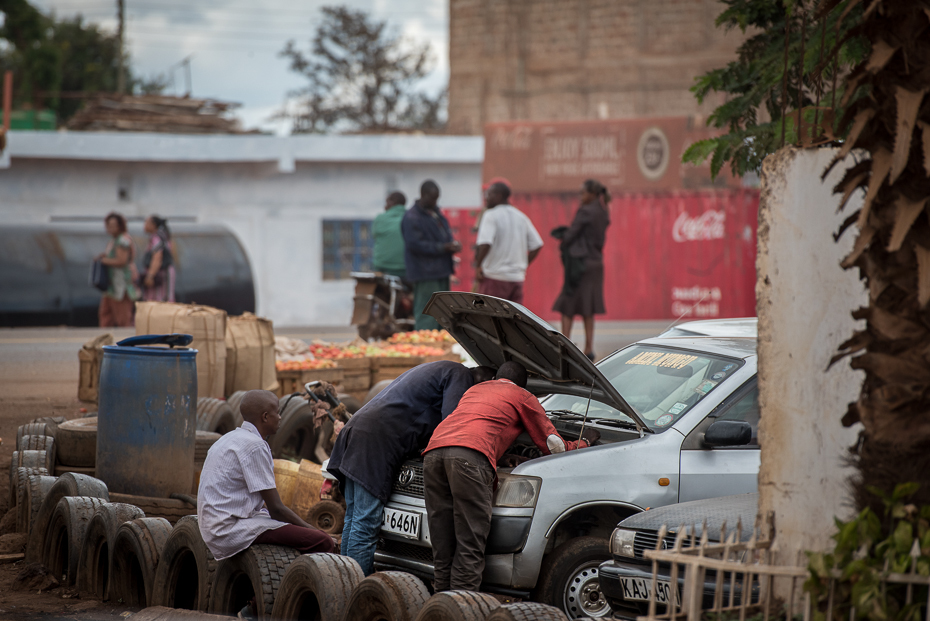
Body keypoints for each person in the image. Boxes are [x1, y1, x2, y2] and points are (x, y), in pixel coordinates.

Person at [422, 361, 600, 592]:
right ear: (523, 384)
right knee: (469, 542)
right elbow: (553, 446)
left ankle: (441, 605)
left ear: (497, 377)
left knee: (442, 540)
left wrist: (502, 455)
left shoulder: (475, 390)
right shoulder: (522, 395)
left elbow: (476, 424)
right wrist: (584, 441)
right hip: (469, 459)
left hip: (434, 454)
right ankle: (460, 606)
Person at [327, 361, 496, 575]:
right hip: (377, 438)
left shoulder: (440, 368)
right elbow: (452, 422)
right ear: (483, 383)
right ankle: (356, 591)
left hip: (359, 430)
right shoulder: (460, 375)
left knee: (354, 518)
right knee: (366, 524)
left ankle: (345, 583)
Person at [198, 389, 333, 562]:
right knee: (322, 541)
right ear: (265, 417)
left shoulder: (229, 438)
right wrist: (314, 531)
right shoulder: (254, 446)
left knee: (293, 529)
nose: (280, 417)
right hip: (229, 530)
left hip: (213, 526)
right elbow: (277, 509)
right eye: (277, 413)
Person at [552, 179, 611, 360]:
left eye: (583, 193)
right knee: (588, 307)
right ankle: (588, 348)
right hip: (596, 263)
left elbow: (571, 235)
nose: (580, 196)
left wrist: (563, 238)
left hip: (581, 264)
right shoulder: (603, 210)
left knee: (567, 304)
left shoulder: (586, 211)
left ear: (592, 194)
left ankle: (565, 345)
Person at [401, 180, 461, 330]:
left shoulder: (436, 214)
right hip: (425, 272)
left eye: (437, 198)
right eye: (432, 198)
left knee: (442, 311)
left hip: (441, 270)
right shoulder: (412, 217)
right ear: (423, 195)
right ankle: (424, 344)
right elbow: (415, 244)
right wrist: (442, 247)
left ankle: (439, 343)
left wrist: (451, 246)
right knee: (427, 313)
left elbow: (443, 236)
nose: (435, 201)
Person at [474, 181, 543, 304]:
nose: (486, 198)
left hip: (494, 278)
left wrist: (479, 266)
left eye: (489, 194)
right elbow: (537, 245)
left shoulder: (490, 215)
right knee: (511, 320)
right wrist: (523, 264)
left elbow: (485, 243)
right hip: (516, 279)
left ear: (499, 196)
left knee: (490, 319)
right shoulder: (521, 217)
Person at [97, 212, 139, 327]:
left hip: (121, 284)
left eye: (113, 225)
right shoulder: (114, 240)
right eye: (108, 225)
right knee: (106, 314)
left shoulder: (123, 240)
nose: (110, 228)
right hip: (111, 284)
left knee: (123, 317)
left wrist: (104, 261)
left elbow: (121, 261)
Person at [372, 191, 408, 279]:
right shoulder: (411, 218)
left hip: (382, 267)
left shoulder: (380, 218)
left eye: (386, 203)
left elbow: (374, 236)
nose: (385, 206)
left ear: (391, 203)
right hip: (405, 269)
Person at [140, 215, 175, 302]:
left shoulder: (157, 238)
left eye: (146, 223)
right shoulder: (162, 236)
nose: (144, 225)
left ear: (153, 225)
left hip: (161, 273)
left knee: (160, 300)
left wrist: (150, 275)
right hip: (160, 272)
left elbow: (157, 257)